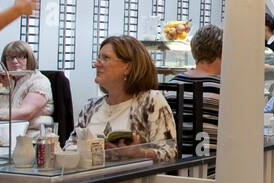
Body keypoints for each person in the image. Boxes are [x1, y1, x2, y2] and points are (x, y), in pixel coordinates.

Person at [69, 35, 177, 162]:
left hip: (132, 180)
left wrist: (140, 153)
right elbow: (70, 146)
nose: (96, 64)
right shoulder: (91, 107)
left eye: (105, 58)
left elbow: (170, 153)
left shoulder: (150, 101)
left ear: (128, 67)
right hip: (92, 179)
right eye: (99, 57)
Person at [170, 25, 221, 155]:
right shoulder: (223, 88)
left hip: (175, 163)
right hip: (211, 166)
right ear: (222, 52)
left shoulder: (173, 83)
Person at [0, 40, 53, 130]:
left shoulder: (39, 81)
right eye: (10, 58)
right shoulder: (1, 79)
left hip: (29, 136)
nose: (14, 61)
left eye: (20, 57)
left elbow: (24, 114)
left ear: (29, 59)